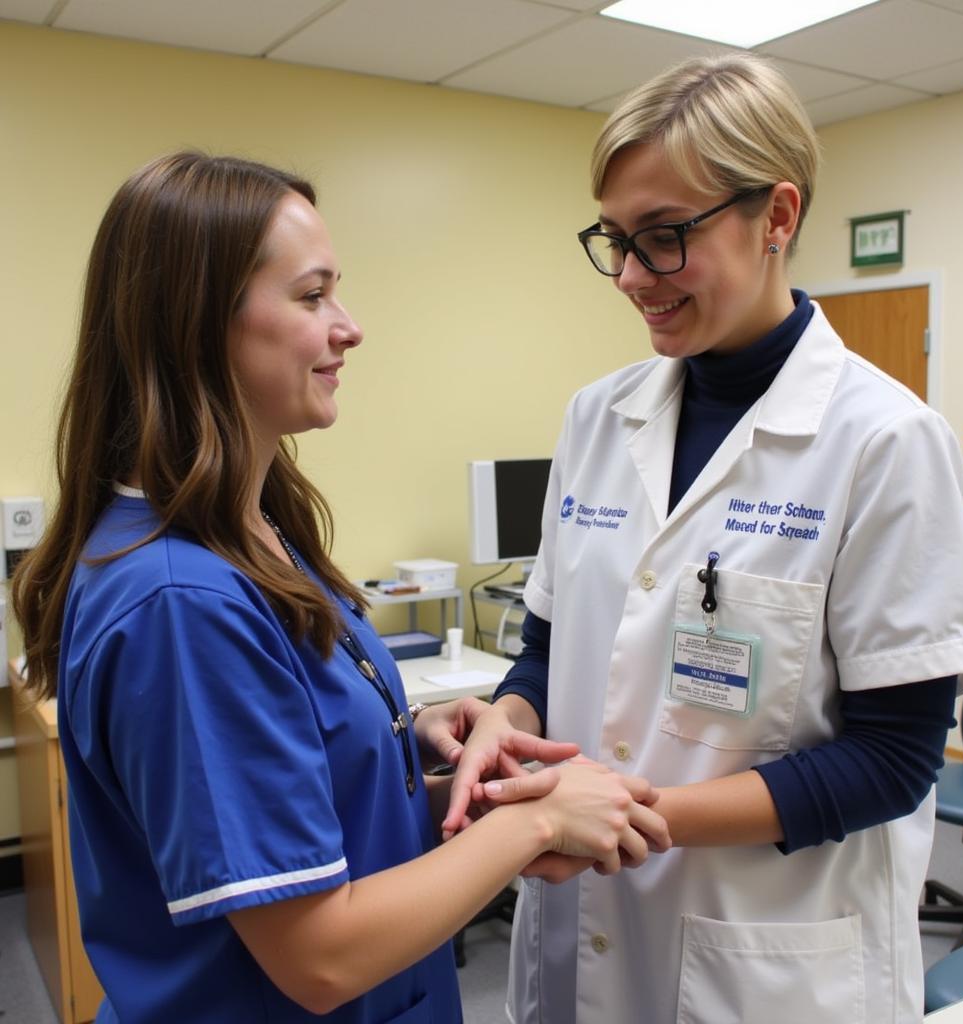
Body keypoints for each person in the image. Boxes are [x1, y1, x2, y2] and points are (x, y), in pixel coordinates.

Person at [11, 151, 671, 1024]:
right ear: (199, 323)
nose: (349, 327)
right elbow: (319, 956)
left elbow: (291, 809)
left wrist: (409, 761)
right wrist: (534, 826)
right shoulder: (180, 603)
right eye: (313, 295)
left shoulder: (252, 533)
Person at [442, 54, 963, 1023]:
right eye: (613, 240)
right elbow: (546, 646)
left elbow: (891, 760)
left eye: (662, 238)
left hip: (763, 963)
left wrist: (623, 817)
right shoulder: (594, 418)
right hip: (579, 935)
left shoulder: (883, 441)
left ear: (776, 216)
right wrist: (507, 717)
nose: (627, 276)